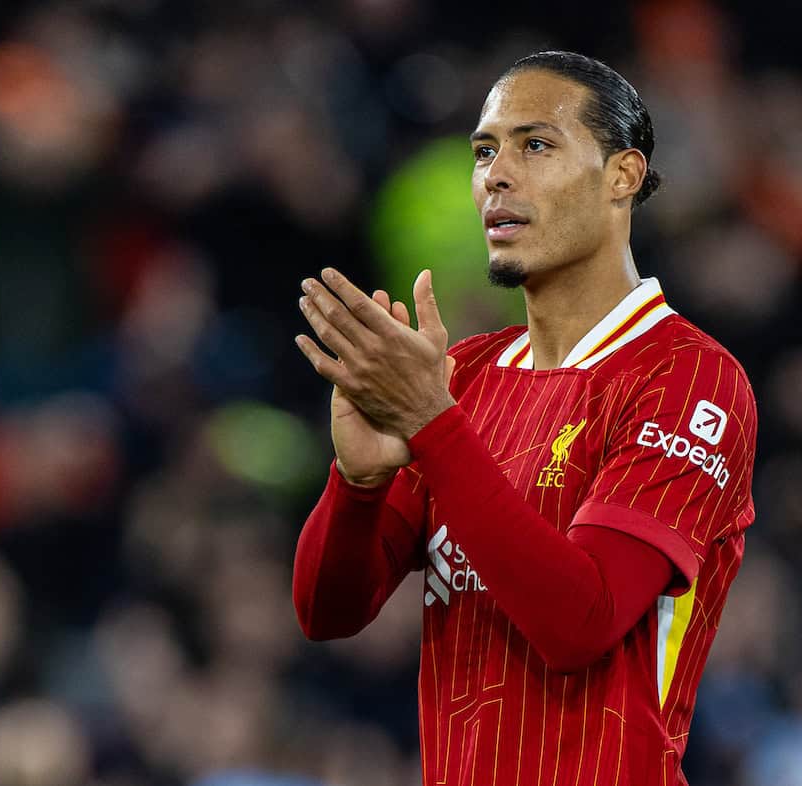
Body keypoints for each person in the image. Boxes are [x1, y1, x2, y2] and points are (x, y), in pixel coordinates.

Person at [291, 50, 757, 786]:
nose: (495, 175)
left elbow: (582, 623)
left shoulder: (689, 377)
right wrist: (356, 481)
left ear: (622, 177)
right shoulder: (464, 377)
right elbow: (328, 611)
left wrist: (433, 427)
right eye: (484, 151)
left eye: (535, 144)